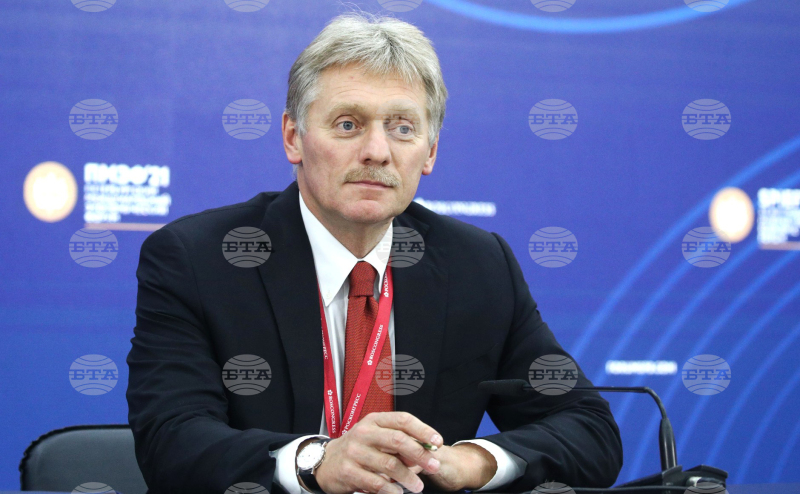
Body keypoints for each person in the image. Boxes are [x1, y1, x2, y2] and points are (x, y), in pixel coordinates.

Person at [126, 12, 623, 494]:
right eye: (348, 124)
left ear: (430, 152)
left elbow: (588, 428)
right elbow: (172, 442)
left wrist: (468, 462)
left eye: (403, 128)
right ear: (294, 138)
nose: (378, 151)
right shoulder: (201, 260)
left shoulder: (477, 265)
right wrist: (316, 462)